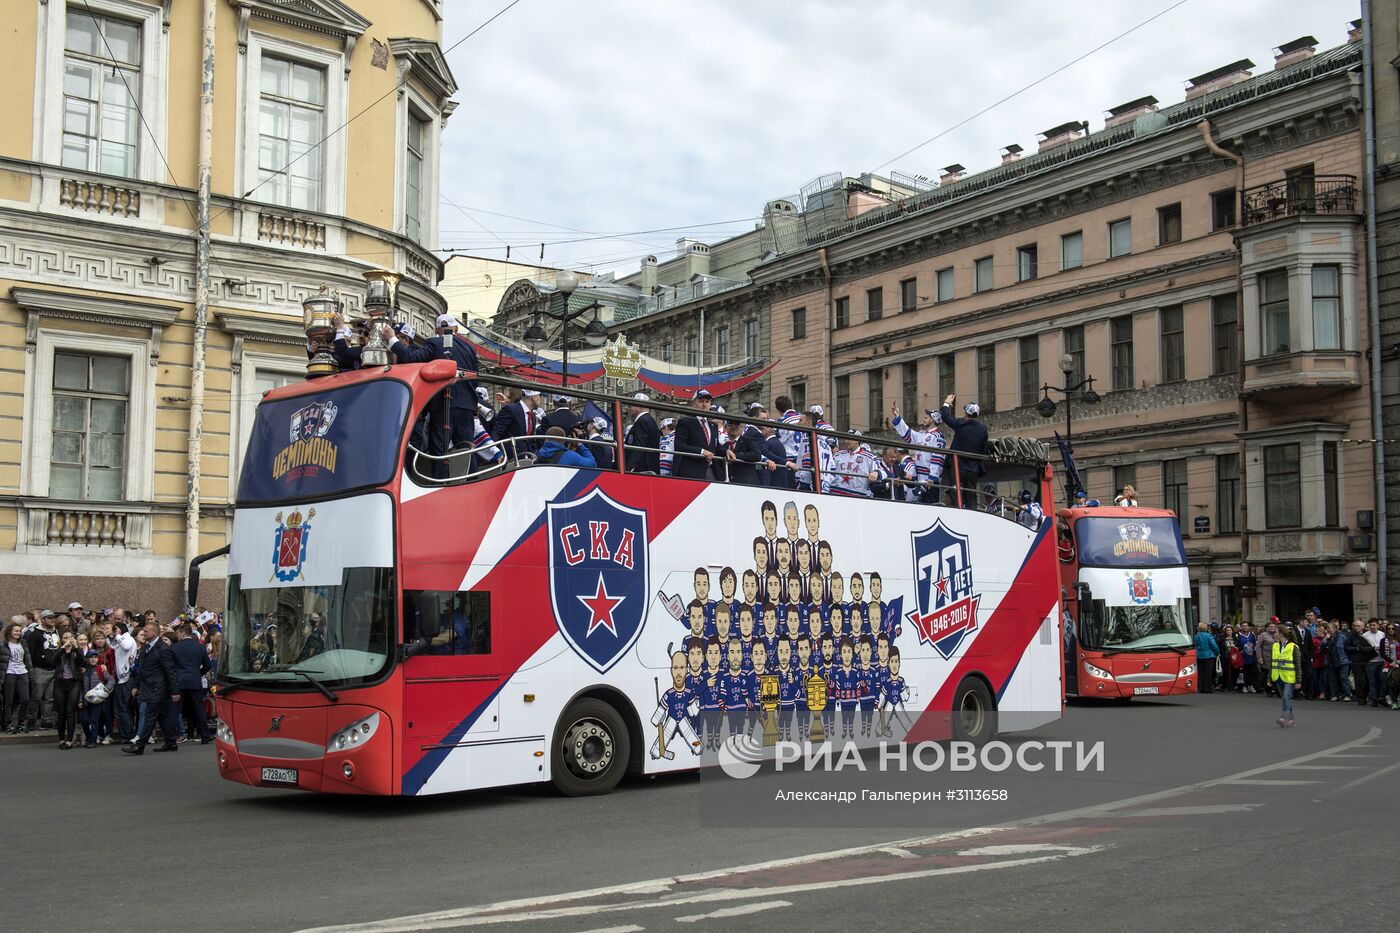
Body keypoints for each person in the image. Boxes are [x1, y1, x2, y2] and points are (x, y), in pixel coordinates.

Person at [122, 623, 180, 755]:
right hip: (148, 686)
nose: (144, 633)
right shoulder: (147, 647)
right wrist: (137, 685)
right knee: (162, 716)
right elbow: (142, 669)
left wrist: (175, 691)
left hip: (158, 688)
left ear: (154, 633)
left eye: (146, 631)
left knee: (150, 715)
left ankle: (140, 745)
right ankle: (171, 742)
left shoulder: (163, 649)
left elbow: (170, 671)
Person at [939, 394, 988, 507]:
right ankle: (972, 514)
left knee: (956, 493)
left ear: (966, 413)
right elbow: (984, 450)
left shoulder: (961, 424)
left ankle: (957, 513)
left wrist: (947, 403)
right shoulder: (983, 429)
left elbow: (945, 417)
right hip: (973, 469)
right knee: (971, 494)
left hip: (958, 466)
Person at [170, 624, 213, 744]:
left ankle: (171, 737)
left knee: (175, 710)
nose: (177, 636)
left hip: (179, 681)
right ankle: (205, 735)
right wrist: (198, 673)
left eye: (178, 633)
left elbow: (171, 666)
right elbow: (208, 665)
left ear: (183, 633)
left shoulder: (174, 647)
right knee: (199, 709)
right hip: (194, 680)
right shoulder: (200, 647)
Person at [22, 611, 60, 730]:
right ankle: (31, 720)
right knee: (36, 697)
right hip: (40, 669)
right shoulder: (35, 633)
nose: (52, 620)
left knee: (50, 698)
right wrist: (31, 670)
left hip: (54, 669)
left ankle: (46, 720)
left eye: (53, 618)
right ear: (43, 619)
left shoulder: (55, 631)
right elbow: (30, 653)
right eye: (49, 618)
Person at [673, 389, 719, 481]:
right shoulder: (685, 421)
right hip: (690, 471)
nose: (704, 404)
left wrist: (727, 451)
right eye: (701, 401)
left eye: (707, 401)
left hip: (710, 471)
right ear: (694, 403)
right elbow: (679, 445)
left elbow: (715, 446)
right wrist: (701, 451)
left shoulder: (713, 425)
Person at [52, 631, 85, 749]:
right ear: (61, 639)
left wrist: (75, 648)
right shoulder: (59, 650)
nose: (67, 640)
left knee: (71, 712)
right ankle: (61, 739)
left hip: (73, 683)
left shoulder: (76, 651)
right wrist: (62, 648)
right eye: (64, 638)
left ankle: (69, 740)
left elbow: (83, 662)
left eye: (69, 638)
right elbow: (53, 661)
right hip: (60, 683)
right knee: (61, 713)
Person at [2, 618, 32, 733]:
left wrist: (30, 673)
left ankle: (20, 723)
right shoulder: (4, 645)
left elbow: (28, 660)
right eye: (16, 631)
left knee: (25, 699)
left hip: (22, 672)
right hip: (10, 673)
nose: (18, 633)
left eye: (19, 631)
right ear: (10, 632)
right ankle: (8, 724)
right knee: (9, 700)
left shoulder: (23, 643)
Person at [79, 648, 113, 748]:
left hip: (96, 700)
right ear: (87, 659)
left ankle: (92, 741)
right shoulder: (84, 670)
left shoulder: (100, 669)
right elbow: (81, 687)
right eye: (91, 657)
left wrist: (104, 691)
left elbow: (111, 680)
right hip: (85, 700)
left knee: (94, 720)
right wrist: (80, 700)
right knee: (84, 720)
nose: (93, 659)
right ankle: (89, 737)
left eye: (95, 657)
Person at [623, 393, 661, 474]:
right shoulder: (648, 420)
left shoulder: (643, 421)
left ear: (640, 406)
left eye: (633, 405)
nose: (630, 408)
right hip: (645, 467)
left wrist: (629, 468)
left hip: (642, 468)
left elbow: (639, 447)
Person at [1271, 626, 1300, 727]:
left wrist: (1298, 680)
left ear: (1281, 634)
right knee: (1285, 697)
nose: (1274, 634)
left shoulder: (1293, 646)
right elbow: (1273, 662)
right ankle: (1292, 719)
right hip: (1278, 675)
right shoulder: (1275, 645)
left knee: (1286, 696)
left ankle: (1284, 717)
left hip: (1289, 676)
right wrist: (1269, 677)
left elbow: (1298, 664)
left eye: (1276, 632)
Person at [1361, 618, 1388, 708]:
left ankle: (1381, 697)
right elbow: (1362, 649)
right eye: (1371, 625)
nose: (1372, 627)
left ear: (1378, 625)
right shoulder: (1364, 636)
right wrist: (1372, 648)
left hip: (1382, 661)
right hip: (1371, 662)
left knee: (1383, 680)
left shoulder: (1383, 634)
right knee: (1372, 682)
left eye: (1374, 625)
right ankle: (1374, 700)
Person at [1193, 622, 1218, 694]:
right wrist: (1217, 653)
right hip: (1209, 655)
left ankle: (1201, 688)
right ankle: (1208, 688)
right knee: (1208, 673)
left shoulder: (1196, 636)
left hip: (1199, 655)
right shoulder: (1209, 636)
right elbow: (1214, 645)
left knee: (1201, 673)